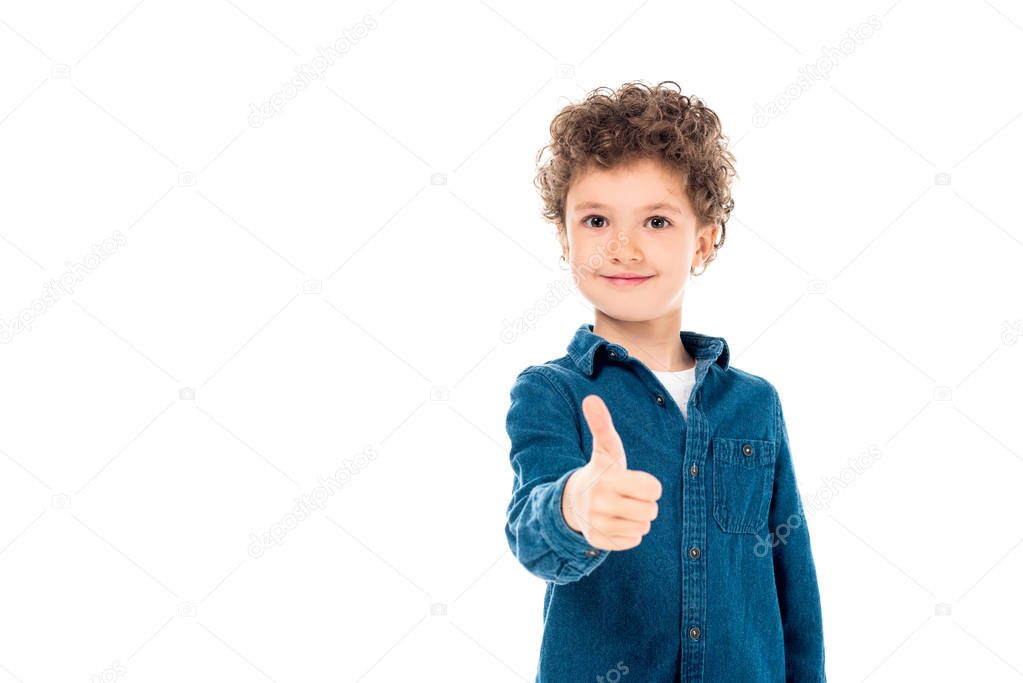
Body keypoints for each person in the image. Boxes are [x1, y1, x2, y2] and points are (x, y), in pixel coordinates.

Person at [504, 80, 826, 682]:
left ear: (702, 242)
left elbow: (792, 580)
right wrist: (577, 506)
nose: (623, 247)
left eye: (655, 221)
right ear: (564, 237)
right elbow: (532, 532)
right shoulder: (551, 392)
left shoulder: (755, 404)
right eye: (596, 220)